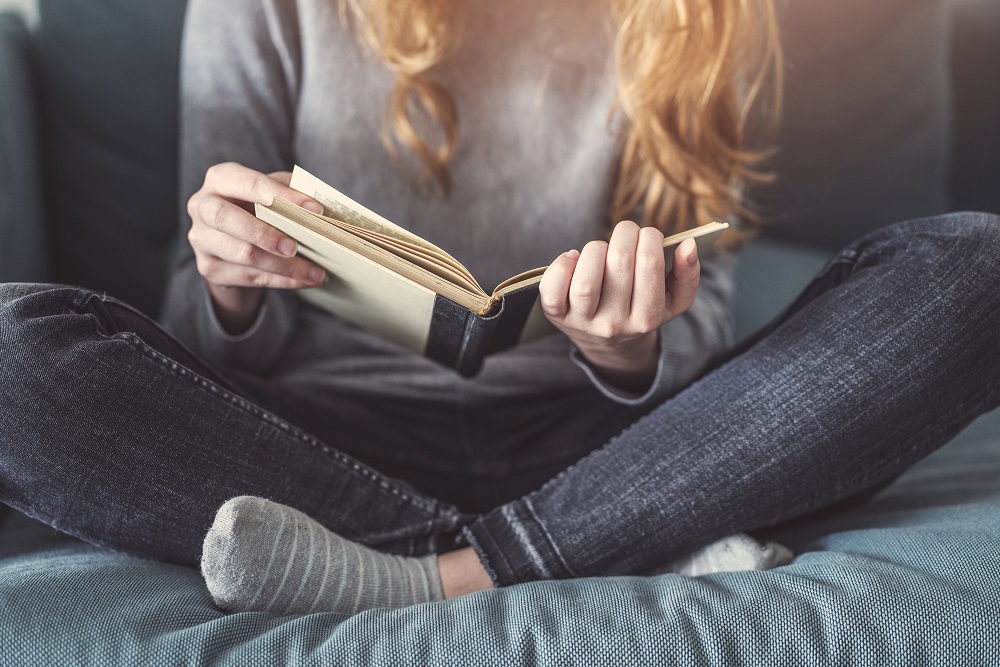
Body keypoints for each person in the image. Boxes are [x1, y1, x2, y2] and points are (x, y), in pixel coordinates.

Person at [1, 0, 998, 619]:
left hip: (612, 447)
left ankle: (436, 568)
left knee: (974, 268)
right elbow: (190, 322)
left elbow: (698, 328)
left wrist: (623, 349)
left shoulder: (698, 18)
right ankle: (618, 541)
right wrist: (228, 278)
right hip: (302, 443)